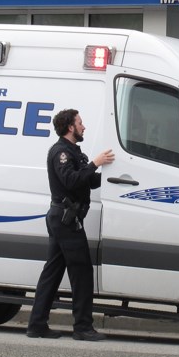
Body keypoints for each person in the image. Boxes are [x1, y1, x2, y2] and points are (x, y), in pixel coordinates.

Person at [27, 109, 116, 341]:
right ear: (70, 127)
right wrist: (95, 164)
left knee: (53, 272)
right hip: (66, 219)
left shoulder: (74, 152)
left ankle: (37, 324)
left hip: (65, 219)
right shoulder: (61, 153)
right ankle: (83, 327)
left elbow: (86, 181)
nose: (83, 126)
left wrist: (112, 175)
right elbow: (70, 180)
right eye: (80, 122)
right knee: (82, 272)